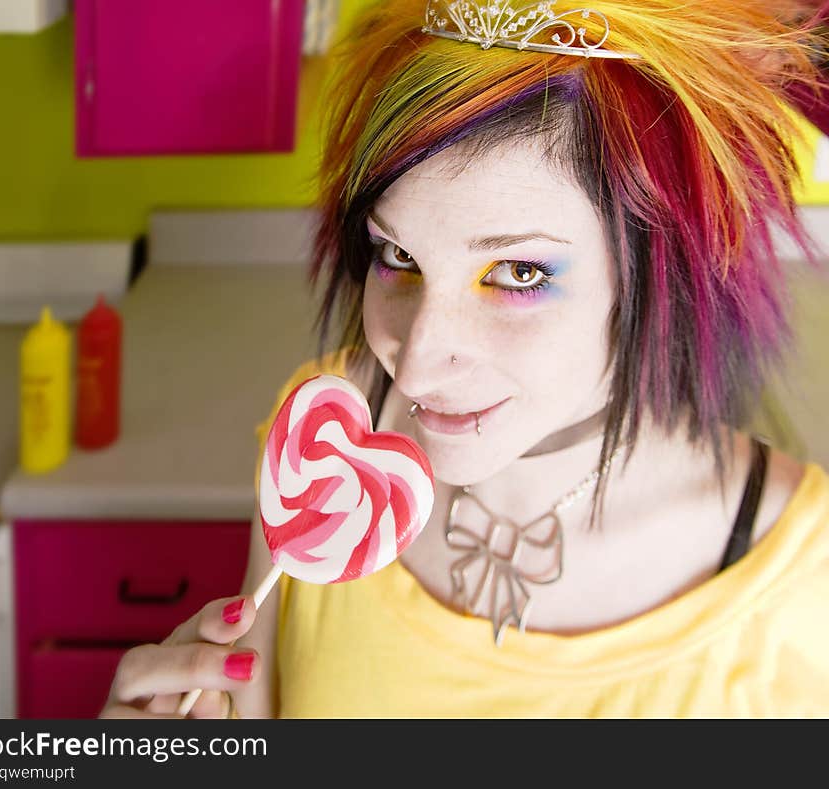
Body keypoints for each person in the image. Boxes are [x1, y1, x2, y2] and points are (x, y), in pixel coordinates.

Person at [100, 0, 829, 718]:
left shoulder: (806, 587)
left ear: (663, 266)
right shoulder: (328, 446)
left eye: (517, 273)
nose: (414, 370)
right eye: (398, 256)